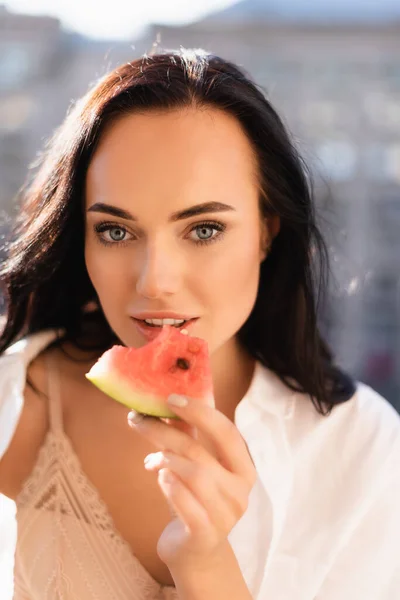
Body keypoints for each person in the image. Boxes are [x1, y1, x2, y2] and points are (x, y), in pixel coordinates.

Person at [0, 48, 399, 600]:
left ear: (266, 232)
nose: (154, 282)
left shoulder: (364, 451)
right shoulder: (17, 401)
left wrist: (205, 564)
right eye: (115, 231)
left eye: (204, 229)